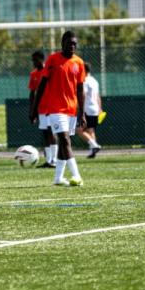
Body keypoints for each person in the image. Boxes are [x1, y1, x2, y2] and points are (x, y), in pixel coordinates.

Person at [30, 31, 86, 186]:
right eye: (69, 43)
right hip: (55, 109)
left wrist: (82, 112)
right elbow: (41, 86)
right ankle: (77, 176)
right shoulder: (53, 60)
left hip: (72, 110)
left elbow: (80, 89)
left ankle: (58, 178)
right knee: (64, 139)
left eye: (75, 43)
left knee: (64, 144)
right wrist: (34, 108)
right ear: (62, 43)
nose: (72, 46)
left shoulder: (79, 63)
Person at [28, 50, 57, 168]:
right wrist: (32, 110)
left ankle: (54, 160)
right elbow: (32, 93)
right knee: (45, 133)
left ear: (41, 59)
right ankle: (48, 160)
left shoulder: (49, 71)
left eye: (35, 60)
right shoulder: (33, 74)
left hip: (51, 107)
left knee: (51, 132)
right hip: (41, 109)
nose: (33, 62)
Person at [76, 62, 103, 158]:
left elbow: (82, 94)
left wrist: (79, 107)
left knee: (79, 130)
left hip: (87, 108)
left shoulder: (84, 81)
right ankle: (93, 151)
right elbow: (98, 96)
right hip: (95, 108)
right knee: (90, 130)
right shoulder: (94, 81)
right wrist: (100, 108)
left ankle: (94, 145)